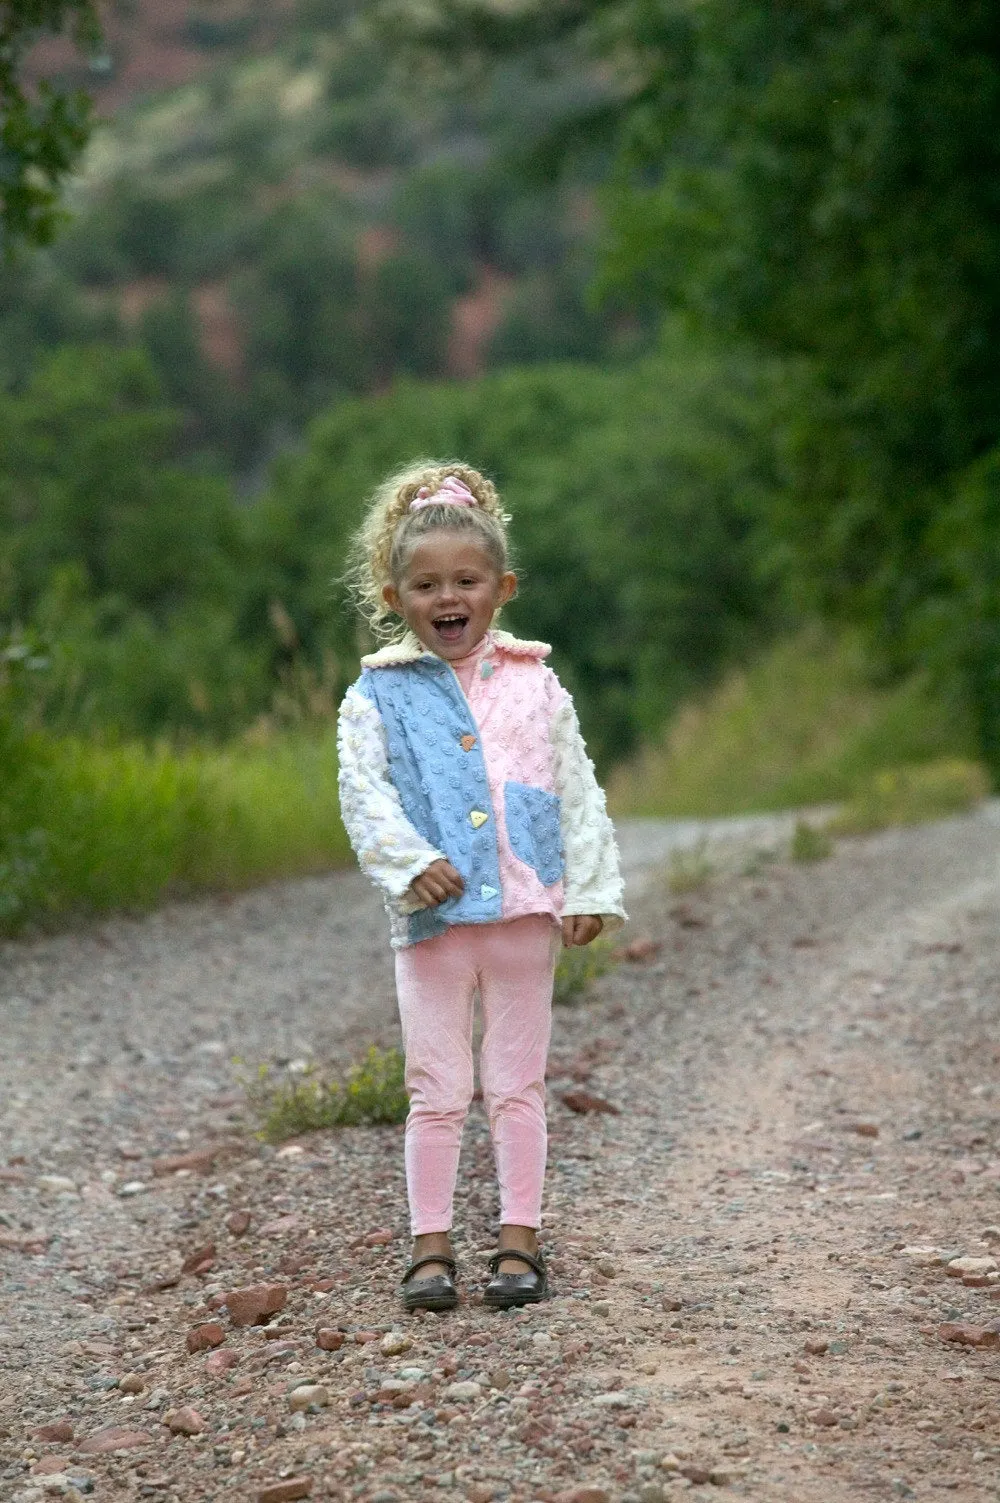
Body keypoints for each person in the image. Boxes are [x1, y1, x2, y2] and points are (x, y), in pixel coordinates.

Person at [337, 460, 625, 1312]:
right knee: (435, 1087)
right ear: (395, 596)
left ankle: (519, 1241)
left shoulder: (537, 682)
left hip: (524, 908)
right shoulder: (377, 692)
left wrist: (588, 887)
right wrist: (402, 862)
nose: (446, 596)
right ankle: (429, 1248)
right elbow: (362, 789)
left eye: (466, 580)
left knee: (516, 1083)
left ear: (501, 588)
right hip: (431, 919)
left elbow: (575, 784)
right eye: (425, 584)